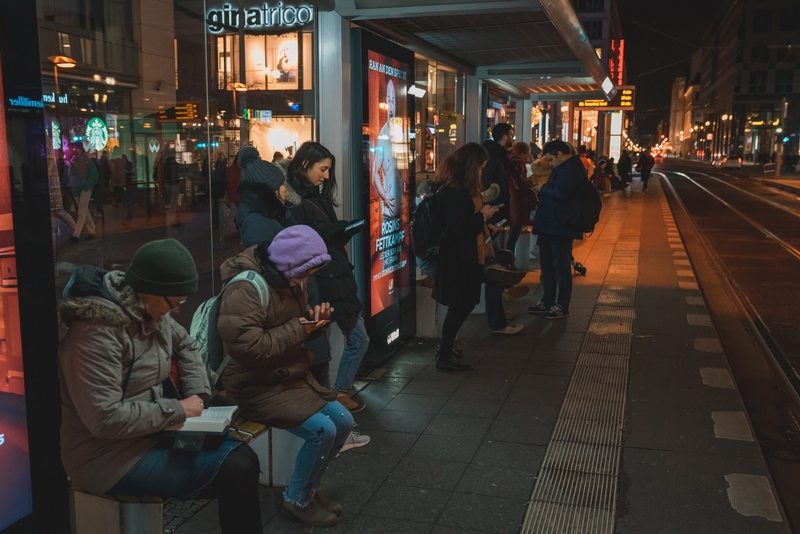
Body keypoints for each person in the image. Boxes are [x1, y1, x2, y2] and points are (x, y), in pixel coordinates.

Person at [58, 239, 262, 533]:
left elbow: (186, 345)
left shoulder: (153, 310)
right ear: (148, 289)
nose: (176, 311)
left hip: (152, 432)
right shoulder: (94, 333)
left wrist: (198, 393)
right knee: (237, 470)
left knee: (244, 456)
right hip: (106, 456)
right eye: (173, 302)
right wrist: (176, 408)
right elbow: (103, 419)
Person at [217, 227, 353, 528]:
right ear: (287, 265)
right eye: (304, 274)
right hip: (253, 385)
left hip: (288, 377)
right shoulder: (245, 289)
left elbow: (293, 326)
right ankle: (297, 499)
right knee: (323, 432)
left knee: (343, 421)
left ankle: (308, 489)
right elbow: (248, 349)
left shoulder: (289, 279)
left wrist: (315, 322)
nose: (305, 281)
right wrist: (302, 328)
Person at [287, 142, 368, 414]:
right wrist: (335, 232)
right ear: (304, 165)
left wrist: (340, 232)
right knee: (354, 339)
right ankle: (338, 394)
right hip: (325, 281)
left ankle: (336, 394)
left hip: (333, 278)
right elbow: (303, 242)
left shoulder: (313, 196)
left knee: (335, 342)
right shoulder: (296, 200)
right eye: (322, 169)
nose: (325, 176)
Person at [433, 143, 505, 372]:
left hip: (460, 256)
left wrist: (485, 221)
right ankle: (444, 356)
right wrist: (482, 216)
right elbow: (459, 226)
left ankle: (446, 349)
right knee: (460, 306)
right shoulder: (455, 191)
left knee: (459, 306)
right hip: (458, 259)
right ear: (471, 167)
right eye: (481, 168)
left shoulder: (452, 187)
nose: (482, 172)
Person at [528, 140, 586, 319]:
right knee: (547, 265)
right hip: (551, 224)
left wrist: (543, 188)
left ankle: (561, 305)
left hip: (561, 225)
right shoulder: (566, 167)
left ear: (560, 154)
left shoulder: (572, 168)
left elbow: (562, 193)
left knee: (561, 267)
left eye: (551, 159)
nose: (550, 163)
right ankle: (548, 301)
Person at [236, 146, 300, 249]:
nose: (284, 189)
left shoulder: (268, 214)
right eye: (281, 184)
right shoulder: (257, 225)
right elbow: (264, 262)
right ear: (270, 191)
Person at [481, 123, 514, 222]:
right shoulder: (493, 155)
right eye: (511, 135)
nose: (512, 138)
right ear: (505, 137)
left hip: (497, 204)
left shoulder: (499, 154)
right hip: (494, 206)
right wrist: (499, 199)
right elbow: (487, 179)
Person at [507, 142, 536, 255]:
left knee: (514, 232)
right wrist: (528, 184)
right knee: (514, 232)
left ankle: (509, 258)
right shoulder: (517, 163)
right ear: (522, 153)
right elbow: (518, 183)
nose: (528, 157)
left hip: (515, 201)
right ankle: (509, 258)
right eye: (527, 154)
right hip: (517, 203)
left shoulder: (512, 161)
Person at [68, 145, 98, 242]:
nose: (75, 150)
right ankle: (92, 231)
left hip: (79, 188)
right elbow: (94, 176)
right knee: (84, 211)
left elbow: (69, 175)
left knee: (81, 211)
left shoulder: (74, 161)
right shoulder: (87, 161)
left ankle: (76, 234)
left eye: (77, 148)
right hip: (82, 188)